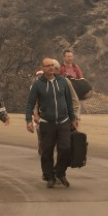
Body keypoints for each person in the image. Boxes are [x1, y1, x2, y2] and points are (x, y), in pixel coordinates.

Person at [25, 57, 78, 188]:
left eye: (52, 66)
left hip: (63, 121)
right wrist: (28, 120)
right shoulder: (38, 84)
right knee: (46, 151)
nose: (51, 68)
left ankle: (60, 172)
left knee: (66, 148)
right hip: (46, 123)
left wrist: (73, 119)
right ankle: (49, 176)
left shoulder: (63, 82)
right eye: (47, 66)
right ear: (42, 68)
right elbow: (30, 103)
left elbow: (69, 102)